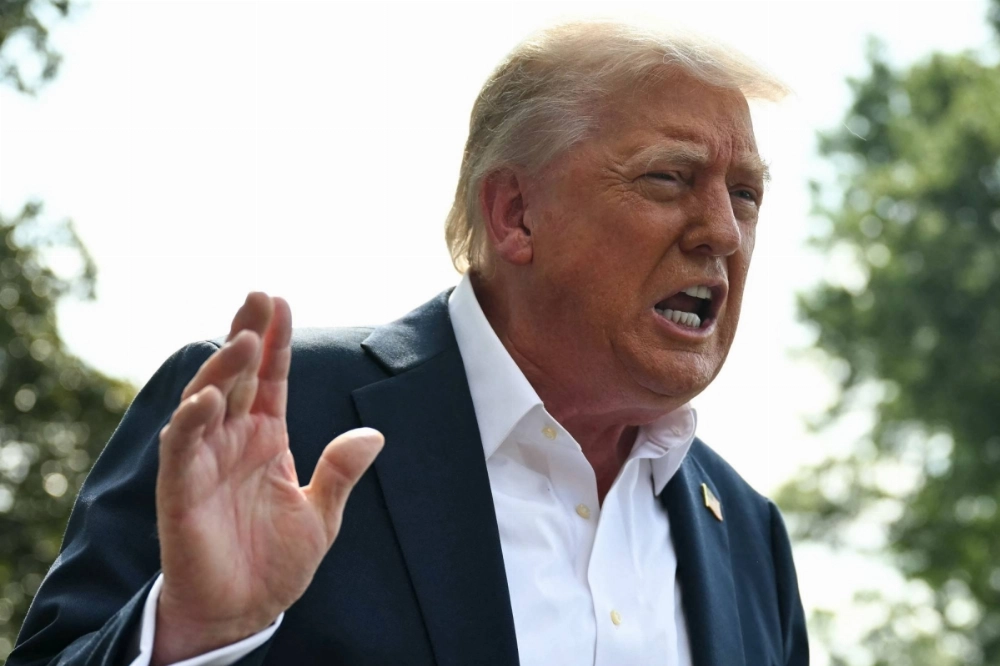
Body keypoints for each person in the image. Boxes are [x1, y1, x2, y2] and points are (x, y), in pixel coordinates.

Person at [10, 20, 809, 666]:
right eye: (669, 178)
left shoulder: (748, 536)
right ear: (515, 214)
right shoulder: (270, 420)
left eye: (746, 195)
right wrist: (185, 634)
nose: (723, 233)